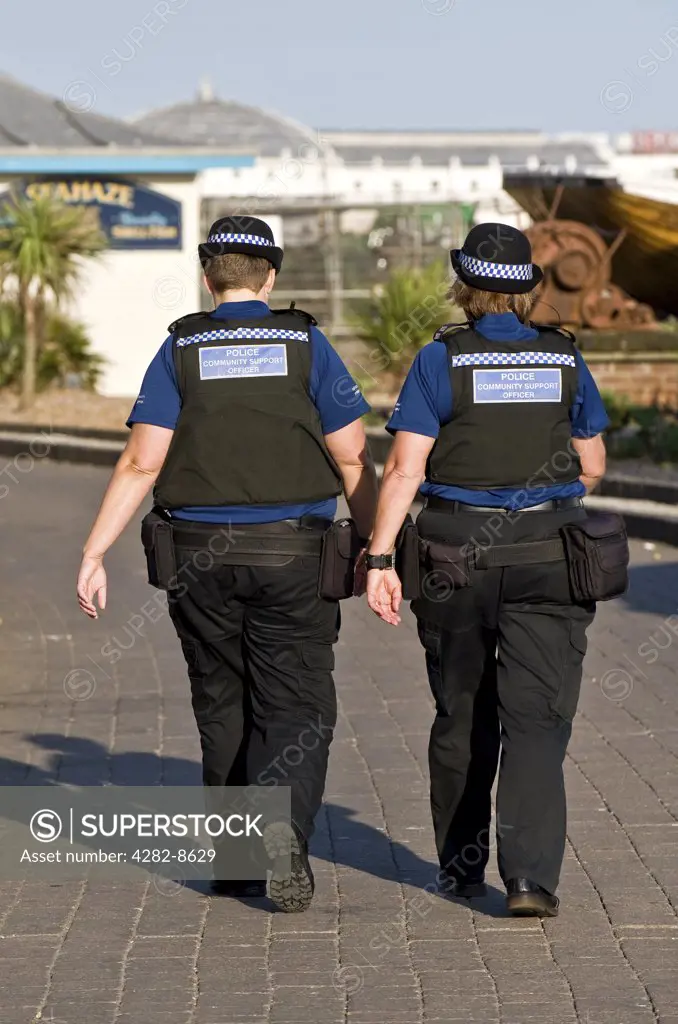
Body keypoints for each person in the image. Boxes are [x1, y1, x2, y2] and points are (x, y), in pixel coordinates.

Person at [77, 215, 377, 912]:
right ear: (271, 277)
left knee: (221, 701)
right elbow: (353, 455)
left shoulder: (181, 347)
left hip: (196, 559)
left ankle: (238, 858)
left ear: (208, 278)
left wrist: (94, 550)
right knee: (295, 703)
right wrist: (375, 547)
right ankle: (283, 845)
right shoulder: (307, 345)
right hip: (295, 552)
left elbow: (142, 459)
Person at [365, 223, 609, 917]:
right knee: (536, 720)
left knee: (462, 711)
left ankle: (460, 866)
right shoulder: (565, 358)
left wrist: (381, 556)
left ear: (465, 287)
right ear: (528, 287)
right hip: (549, 555)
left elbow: (405, 467)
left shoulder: (439, 360)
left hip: (453, 556)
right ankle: (529, 880)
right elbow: (590, 464)